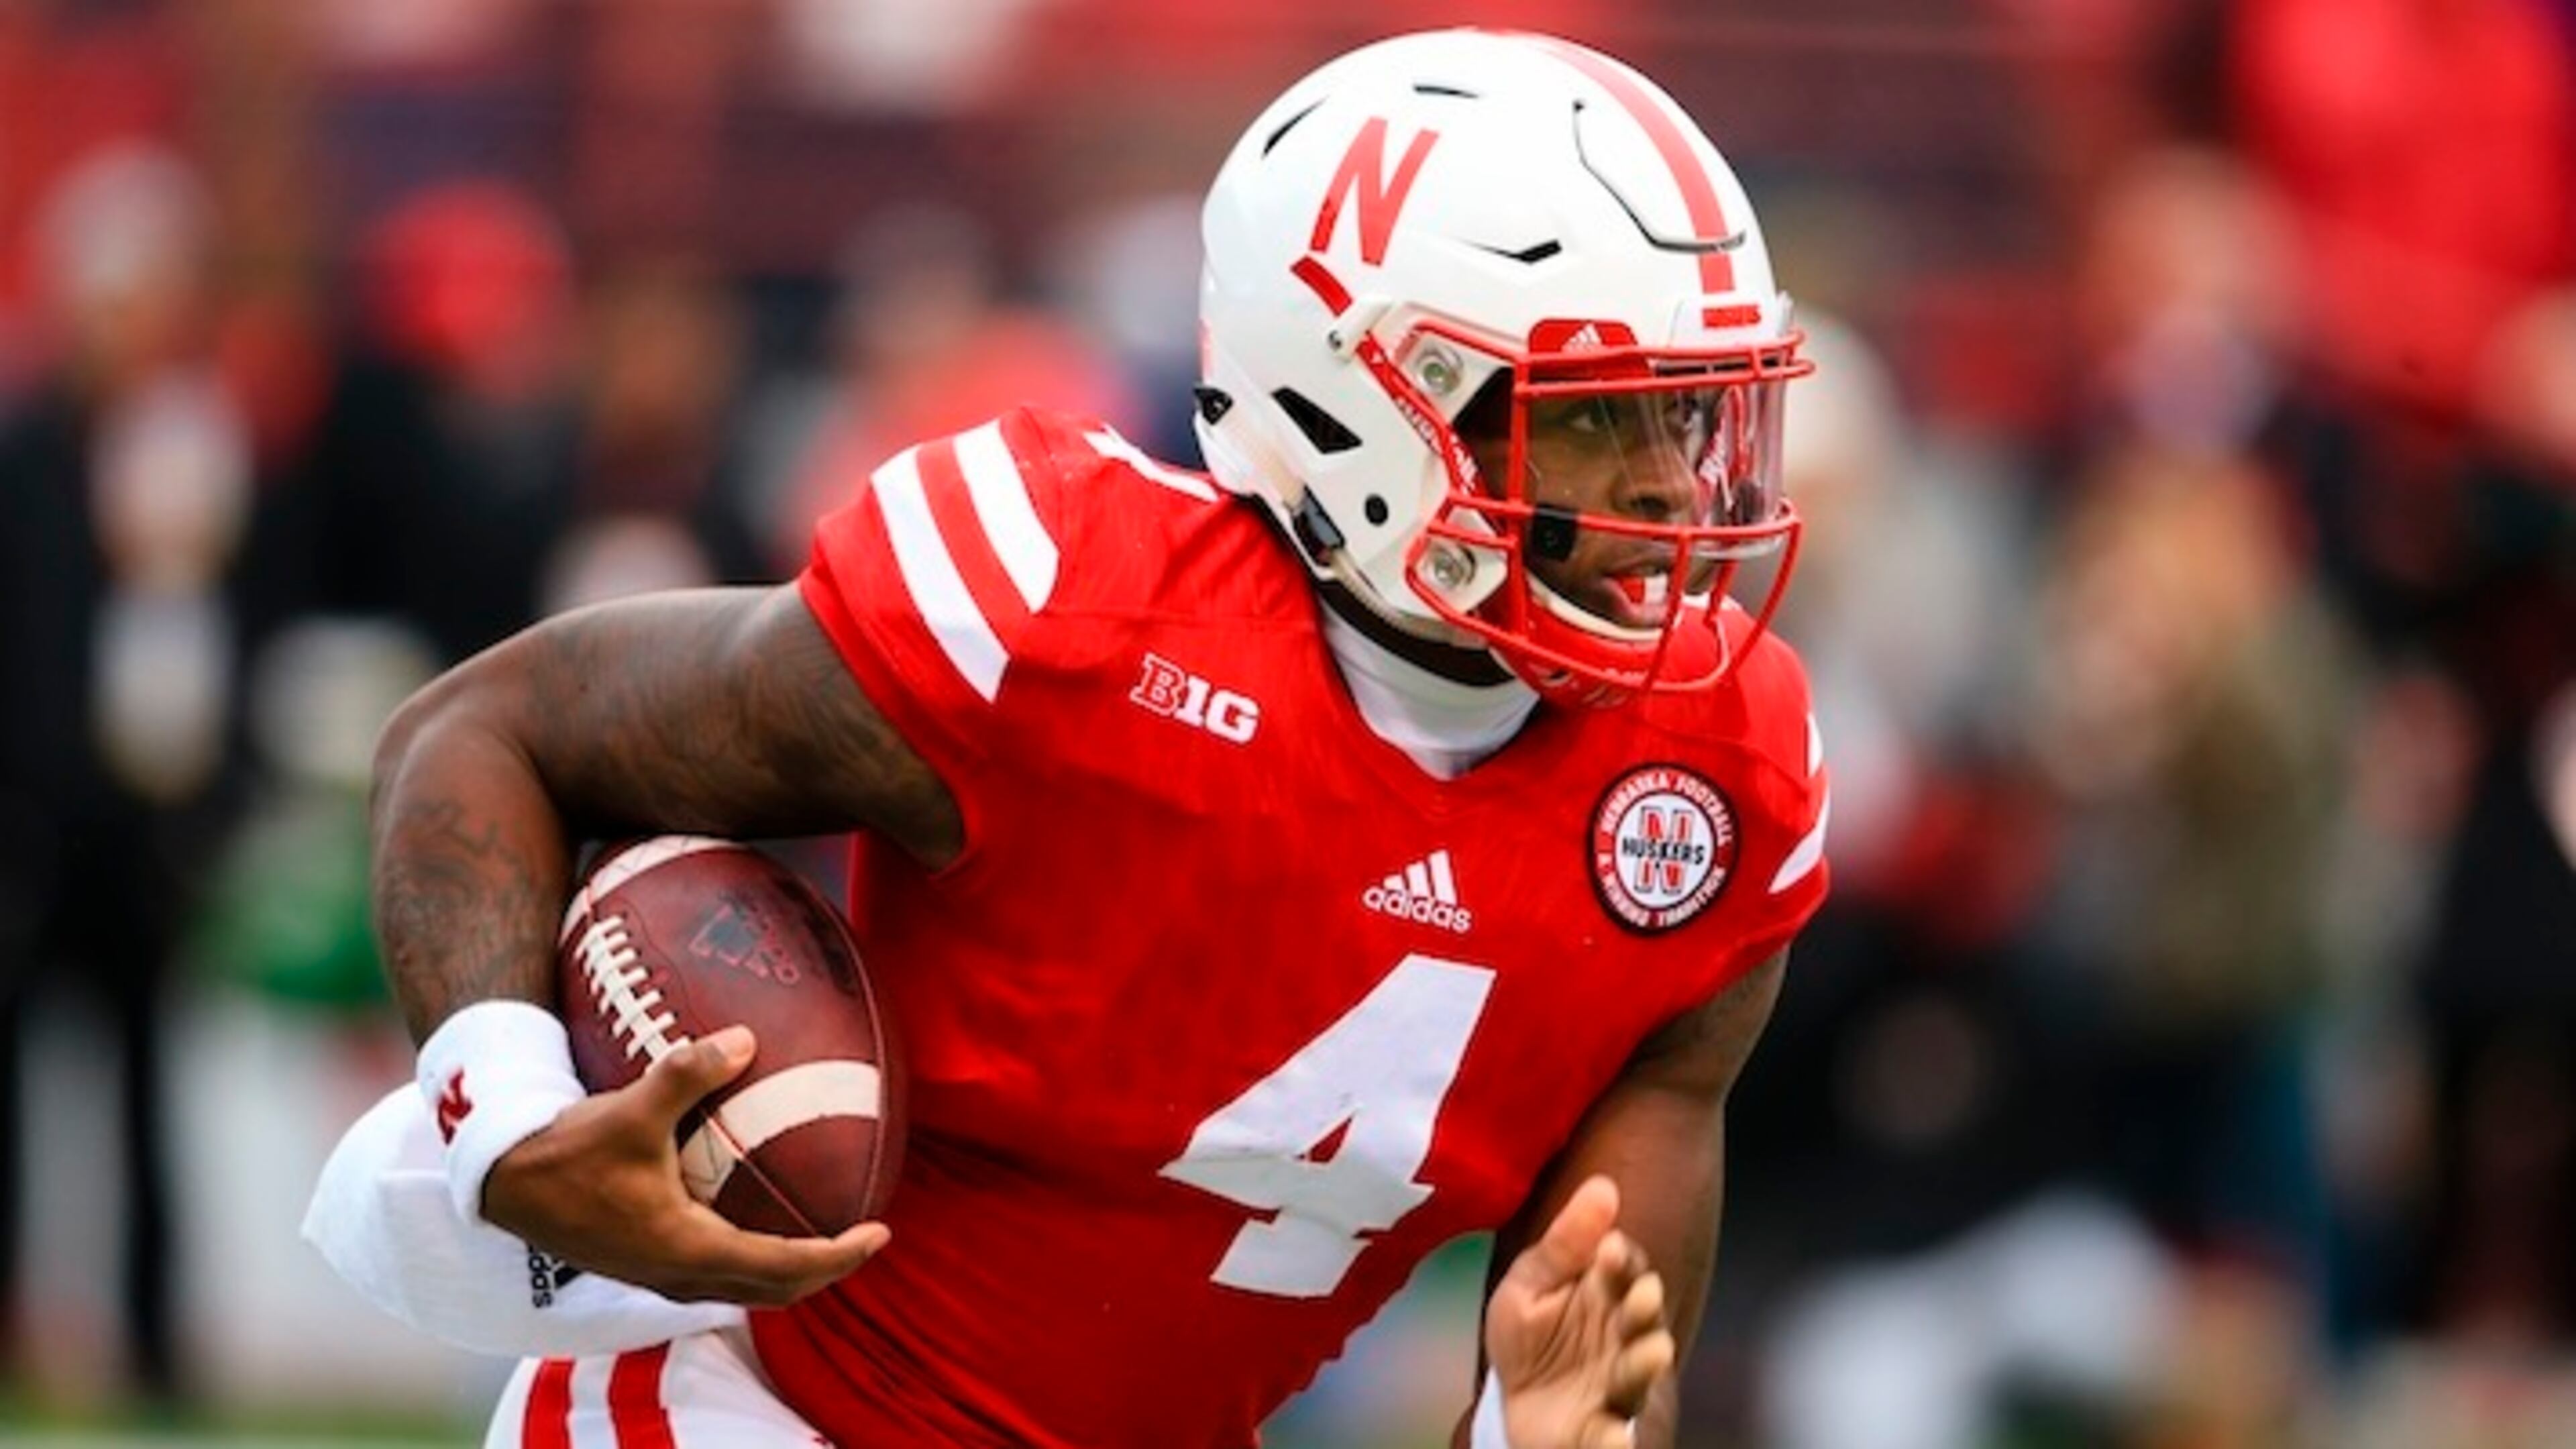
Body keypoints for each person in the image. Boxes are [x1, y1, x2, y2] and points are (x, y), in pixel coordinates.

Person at [339, 28, 1830, 1448]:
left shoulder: (1712, 781)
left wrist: (1539, 1426)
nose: (1670, 499)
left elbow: (1592, 1328)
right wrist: (508, 1117)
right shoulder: (1061, 607)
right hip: (771, 1410)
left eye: (1689, 417)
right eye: (1595, 421)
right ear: (1366, 397)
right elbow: (485, 732)